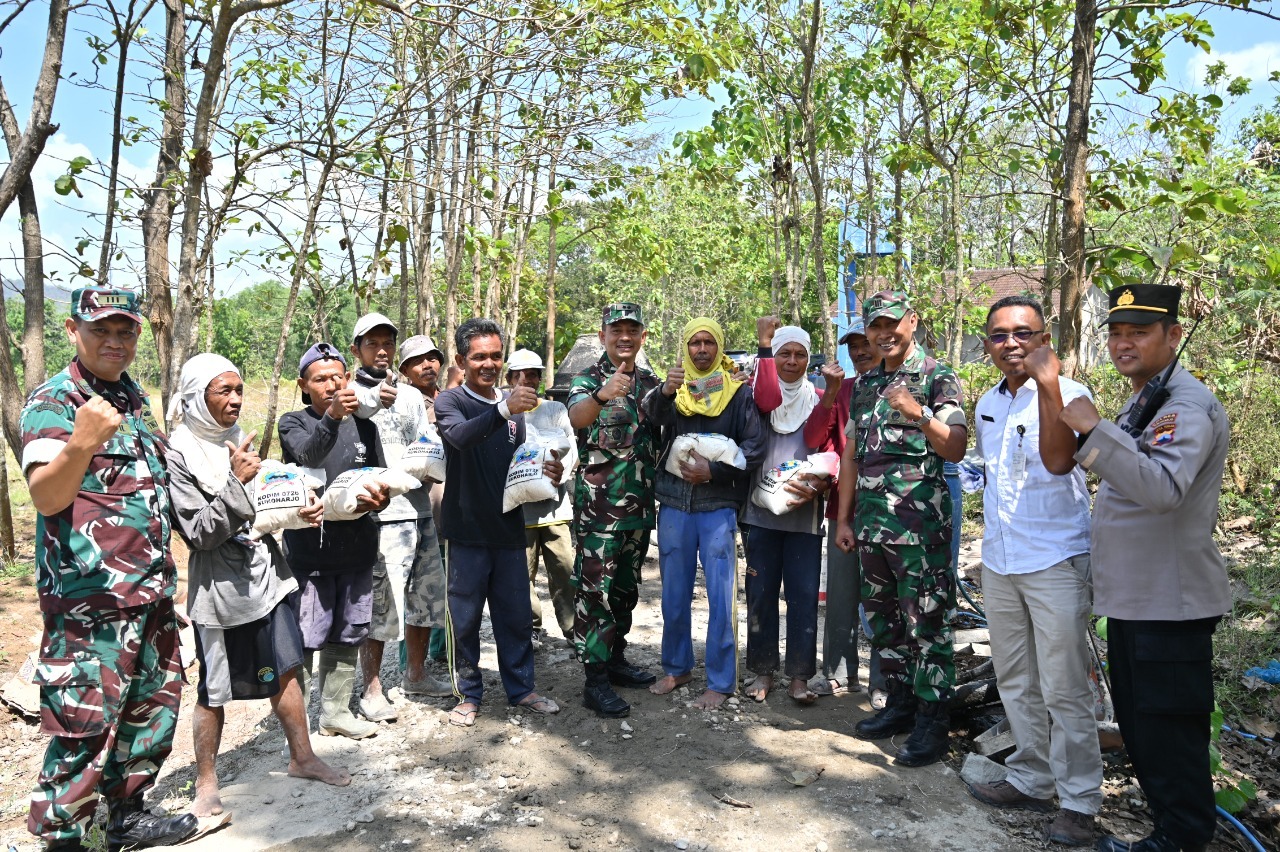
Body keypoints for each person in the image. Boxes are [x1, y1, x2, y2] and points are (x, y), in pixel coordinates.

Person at [21, 287, 198, 851]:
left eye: (125, 332)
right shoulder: (54, 402)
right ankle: (62, 838)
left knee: (150, 713)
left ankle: (126, 816)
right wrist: (79, 444)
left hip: (148, 594)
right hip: (90, 603)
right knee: (83, 727)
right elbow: (46, 499)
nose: (115, 342)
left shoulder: (133, 400)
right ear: (73, 331)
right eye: (101, 330)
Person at [1058, 285, 1230, 852]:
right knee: (1143, 729)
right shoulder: (1147, 399)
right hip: (1137, 601)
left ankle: (1180, 839)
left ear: (1173, 336)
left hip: (1169, 605)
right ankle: (1167, 834)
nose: (1123, 342)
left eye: (1140, 331)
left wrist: (1092, 429)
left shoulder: (1185, 404)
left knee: (1168, 734)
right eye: (1116, 332)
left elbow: (1162, 488)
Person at [166, 354, 350, 820]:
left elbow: (258, 509)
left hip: (265, 577)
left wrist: (297, 513)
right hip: (221, 591)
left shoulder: (232, 439)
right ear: (195, 398)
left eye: (238, 389)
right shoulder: (179, 453)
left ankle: (302, 756)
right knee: (214, 689)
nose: (234, 399)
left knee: (287, 668)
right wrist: (237, 481)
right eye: (222, 391)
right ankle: (206, 782)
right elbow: (199, 534)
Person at [963, 296, 1102, 846]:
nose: (1012, 343)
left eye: (1024, 333)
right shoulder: (986, 404)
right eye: (999, 335)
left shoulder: (1072, 395)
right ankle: (1031, 774)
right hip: (1000, 559)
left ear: (1046, 339)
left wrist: (1048, 387)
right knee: (1015, 677)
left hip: (1056, 559)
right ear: (987, 344)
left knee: (1065, 686)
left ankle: (1080, 801)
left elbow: (1058, 460)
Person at [835, 290, 967, 768]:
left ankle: (934, 721)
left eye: (892, 323)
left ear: (912, 321)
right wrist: (845, 518)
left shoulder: (938, 377)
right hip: (872, 526)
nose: (884, 333)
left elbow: (955, 448)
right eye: (875, 326)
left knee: (928, 624)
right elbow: (852, 455)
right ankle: (902, 702)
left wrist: (919, 413)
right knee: (886, 624)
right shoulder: (866, 384)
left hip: (920, 530)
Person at [434, 318, 561, 727]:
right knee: (465, 618)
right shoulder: (449, 402)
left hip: (509, 529)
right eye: (479, 357)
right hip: (466, 530)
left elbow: (519, 463)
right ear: (460, 360)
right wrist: (503, 408)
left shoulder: (515, 410)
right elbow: (460, 438)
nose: (488, 364)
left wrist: (548, 470)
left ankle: (521, 689)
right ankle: (467, 693)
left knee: (515, 615)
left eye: (494, 356)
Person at [646, 317, 766, 710]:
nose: (701, 350)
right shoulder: (674, 389)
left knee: (720, 596)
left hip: (717, 508)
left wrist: (713, 471)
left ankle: (720, 680)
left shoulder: (737, 393)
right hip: (675, 506)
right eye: (694, 343)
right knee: (673, 595)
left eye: (708, 343)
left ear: (719, 347)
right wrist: (664, 392)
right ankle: (677, 667)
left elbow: (754, 448)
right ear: (686, 347)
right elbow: (652, 422)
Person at [278, 343, 390, 740]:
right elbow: (309, 453)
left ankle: (336, 713)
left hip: (359, 549)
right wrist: (332, 416)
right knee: (308, 636)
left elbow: (381, 477)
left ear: (348, 378)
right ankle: (299, 726)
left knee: (349, 632)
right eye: (320, 379)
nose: (331, 385)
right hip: (311, 555)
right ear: (303, 385)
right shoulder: (294, 423)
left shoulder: (366, 427)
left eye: (337, 377)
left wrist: (382, 497)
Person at [348, 314, 452, 723]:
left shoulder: (410, 397)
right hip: (379, 515)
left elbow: (422, 446)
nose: (382, 350)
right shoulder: (349, 394)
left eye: (388, 342)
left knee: (425, 598)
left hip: (419, 507)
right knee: (380, 604)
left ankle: (416, 674)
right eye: (372, 343)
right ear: (356, 349)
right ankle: (372, 688)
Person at [565, 303, 662, 717]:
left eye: (632, 330)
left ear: (642, 337)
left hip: (639, 510)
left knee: (625, 591)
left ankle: (616, 658)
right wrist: (602, 395)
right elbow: (576, 417)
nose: (625, 336)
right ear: (603, 334)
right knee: (595, 596)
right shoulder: (588, 379)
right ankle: (595, 680)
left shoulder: (651, 383)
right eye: (616, 329)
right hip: (599, 513)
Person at [742, 319, 829, 705]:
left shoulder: (820, 398)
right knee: (760, 593)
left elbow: (835, 449)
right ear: (772, 357)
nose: (792, 361)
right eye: (784, 353)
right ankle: (763, 671)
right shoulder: (756, 396)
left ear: (808, 359)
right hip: (759, 515)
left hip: (804, 516)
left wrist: (822, 483)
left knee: (803, 594)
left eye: (799, 354)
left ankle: (799, 676)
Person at [803, 317, 886, 706]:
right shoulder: (843, 389)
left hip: (893, 513)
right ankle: (838, 672)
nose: (860, 351)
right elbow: (813, 438)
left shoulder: (903, 387)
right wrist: (830, 392)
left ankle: (885, 681)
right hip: (844, 510)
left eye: (865, 342)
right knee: (841, 594)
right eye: (853, 346)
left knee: (887, 600)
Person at [505, 348, 578, 646]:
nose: (528, 380)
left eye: (533, 374)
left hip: (555, 510)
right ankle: (530, 626)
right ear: (509, 378)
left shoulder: (554, 410)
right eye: (520, 375)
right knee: (523, 576)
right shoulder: (504, 411)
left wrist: (564, 471)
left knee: (564, 571)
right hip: (519, 513)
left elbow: (571, 447)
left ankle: (573, 629)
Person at [398, 334, 451, 664]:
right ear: (405, 369)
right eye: (418, 360)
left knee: (448, 589)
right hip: (415, 513)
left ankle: (443, 655)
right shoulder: (399, 405)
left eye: (432, 358)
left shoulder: (451, 401)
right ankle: (409, 663)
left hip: (450, 511)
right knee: (416, 592)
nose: (427, 364)